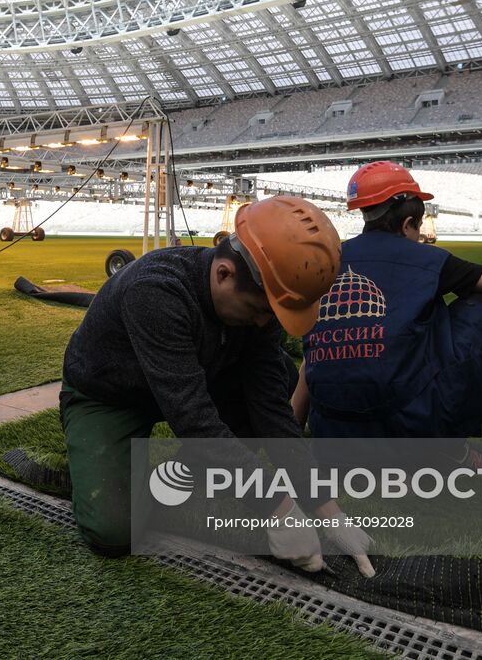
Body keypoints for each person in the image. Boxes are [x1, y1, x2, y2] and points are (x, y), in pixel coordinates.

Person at [61, 195, 374, 573]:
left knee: (278, 377)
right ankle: (99, 462)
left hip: (194, 377)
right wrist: (276, 507)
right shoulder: (156, 292)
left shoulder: (264, 300)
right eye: (258, 311)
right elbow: (191, 415)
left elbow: (271, 409)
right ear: (223, 274)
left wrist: (326, 508)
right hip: (112, 395)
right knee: (115, 530)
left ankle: (174, 478)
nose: (264, 323)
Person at [297, 162, 482, 446]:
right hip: (411, 424)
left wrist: (293, 427)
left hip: (332, 424)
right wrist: (457, 336)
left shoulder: (330, 258)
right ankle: (455, 444)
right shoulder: (429, 259)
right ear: (407, 225)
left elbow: (313, 348)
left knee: (330, 329)